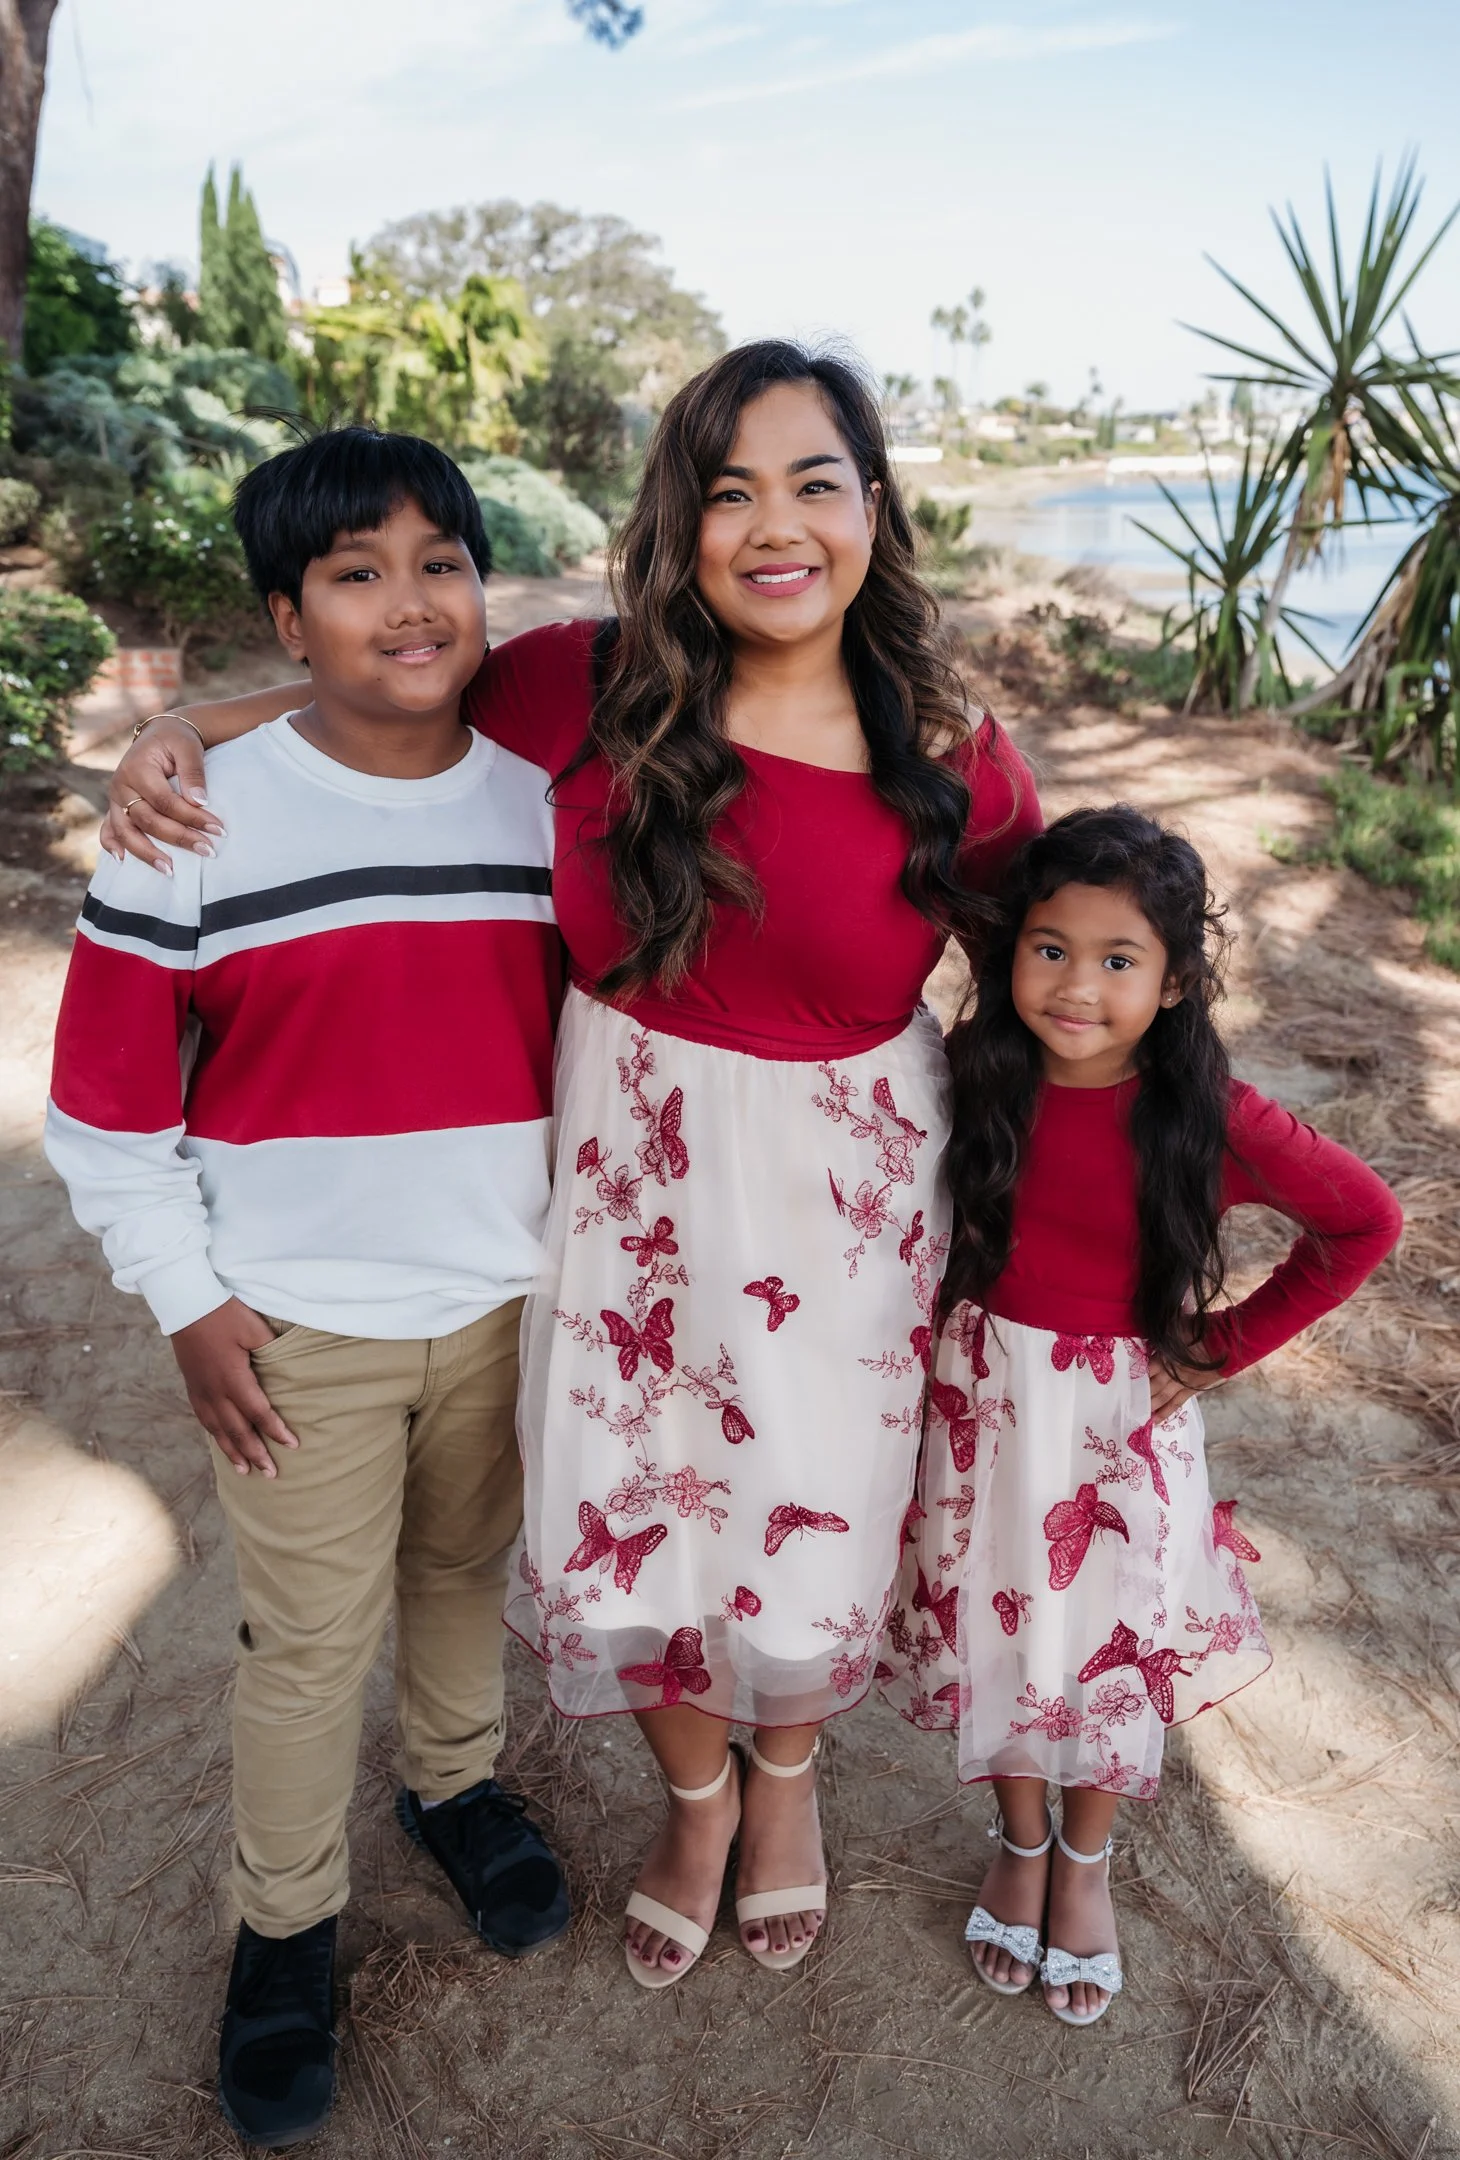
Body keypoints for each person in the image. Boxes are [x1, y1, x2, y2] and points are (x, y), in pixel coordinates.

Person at [101, 340, 1042, 1991]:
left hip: (846, 1211)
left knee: (816, 1518)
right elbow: (378, 687)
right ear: (680, 522)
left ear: (873, 508)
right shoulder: (591, 687)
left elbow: (1050, 999)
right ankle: (697, 1799)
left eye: (814, 483)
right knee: (638, 1515)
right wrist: (179, 727)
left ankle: (785, 1783)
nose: (774, 525)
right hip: (624, 1200)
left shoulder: (957, 749)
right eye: (728, 491)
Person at [47, 429, 570, 2149]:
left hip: (504, 1303)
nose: (409, 604)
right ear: (289, 615)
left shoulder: (543, 806)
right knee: (303, 1645)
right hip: (295, 1329)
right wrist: (191, 1305)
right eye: (356, 574)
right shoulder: (192, 821)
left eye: (441, 563)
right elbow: (107, 1113)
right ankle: (283, 1932)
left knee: (462, 1572)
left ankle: (453, 1788)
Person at [879, 805, 1403, 2027]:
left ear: (1173, 985)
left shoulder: (1209, 1113)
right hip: (979, 1409)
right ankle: (1018, 1839)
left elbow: (1362, 1223)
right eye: (1048, 947)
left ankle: (1083, 1857)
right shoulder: (972, 1071)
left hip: (1114, 1427)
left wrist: (1220, 1348)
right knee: (997, 1631)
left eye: (1117, 959)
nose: (1075, 984)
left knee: (1103, 1648)